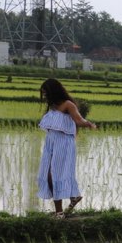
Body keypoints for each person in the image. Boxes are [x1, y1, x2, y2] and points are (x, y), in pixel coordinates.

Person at [37, 78, 96, 218]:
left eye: (46, 93)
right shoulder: (52, 105)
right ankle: (73, 198)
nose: (44, 96)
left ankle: (60, 212)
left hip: (63, 143)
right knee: (49, 175)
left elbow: (78, 120)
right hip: (51, 142)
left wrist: (88, 124)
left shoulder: (68, 104)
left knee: (54, 176)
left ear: (53, 91)